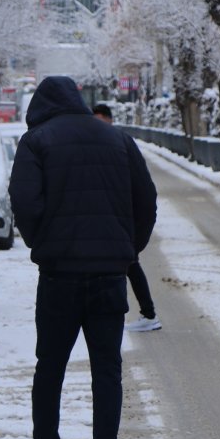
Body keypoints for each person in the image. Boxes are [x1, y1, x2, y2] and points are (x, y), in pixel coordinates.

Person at [10, 77, 157, 439]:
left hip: (59, 276)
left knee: (50, 367)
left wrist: (44, 243)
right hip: (110, 277)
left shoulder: (36, 142)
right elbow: (145, 200)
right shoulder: (118, 140)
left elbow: (23, 202)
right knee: (107, 371)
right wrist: (127, 250)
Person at [93, 103, 162, 332]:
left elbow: (142, 189)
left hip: (124, 220)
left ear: (110, 120)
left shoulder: (121, 143)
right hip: (115, 220)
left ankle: (148, 314)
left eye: (101, 121)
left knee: (128, 264)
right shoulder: (106, 144)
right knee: (127, 266)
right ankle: (145, 313)